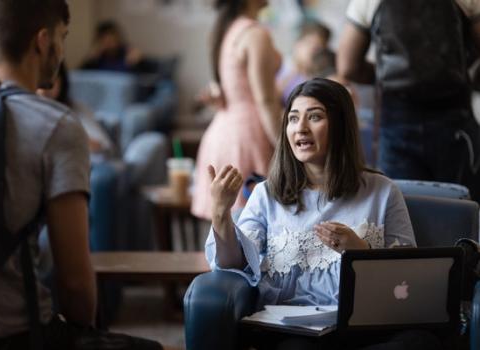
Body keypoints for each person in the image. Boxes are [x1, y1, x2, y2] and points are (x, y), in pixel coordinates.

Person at [0, 0, 163, 349]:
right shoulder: (57, 126)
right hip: (20, 335)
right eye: (62, 37)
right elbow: (75, 284)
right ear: (42, 41)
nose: (62, 50)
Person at [205, 78, 441, 349]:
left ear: (340, 126)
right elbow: (232, 265)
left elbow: (407, 281)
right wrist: (221, 213)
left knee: (420, 343)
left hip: (365, 328)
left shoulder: (383, 191)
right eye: (293, 119)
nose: (301, 128)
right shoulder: (266, 194)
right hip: (293, 333)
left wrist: (361, 253)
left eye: (314, 117)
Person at [337, 0, 480, 202]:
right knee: (465, 210)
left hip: (397, 123)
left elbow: (347, 66)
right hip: (455, 123)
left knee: (404, 210)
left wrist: (382, 78)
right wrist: (468, 77)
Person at [191, 0, 282, 220]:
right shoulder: (254, 34)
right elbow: (266, 99)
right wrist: (285, 146)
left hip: (223, 131)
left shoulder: (226, 30)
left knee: (227, 229)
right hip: (249, 137)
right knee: (251, 225)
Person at [37, 63, 116, 161]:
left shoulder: (76, 109)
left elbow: (104, 147)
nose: (44, 90)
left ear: (62, 82)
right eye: (39, 83)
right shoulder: (25, 113)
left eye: (51, 82)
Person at [277, 21, 333, 104]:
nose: (312, 51)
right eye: (309, 43)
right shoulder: (280, 67)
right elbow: (270, 98)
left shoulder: (323, 77)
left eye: (318, 48)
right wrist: (294, 72)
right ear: (297, 44)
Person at [80, 20, 158, 75]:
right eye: (105, 39)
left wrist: (141, 61)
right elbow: (81, 76)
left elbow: (152, 72)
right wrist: (90, 61)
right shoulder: (97, 58)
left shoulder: (129, 53)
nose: (109, 43)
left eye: (112, 38)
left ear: (118, 37)